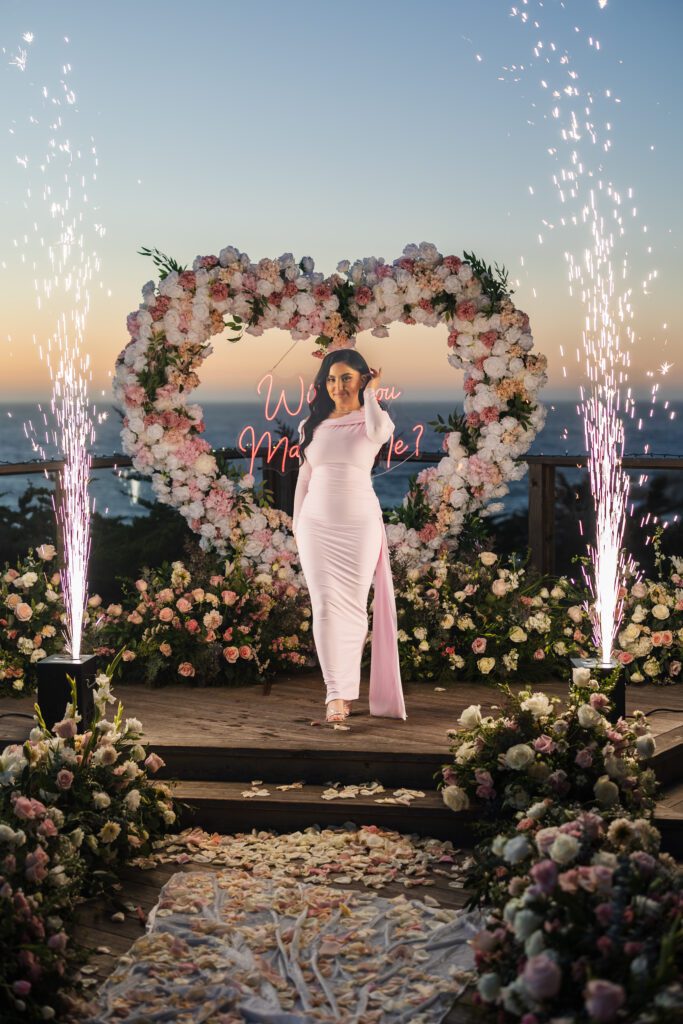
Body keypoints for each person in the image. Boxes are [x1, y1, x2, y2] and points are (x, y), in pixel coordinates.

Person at [292, 348, 407, 726]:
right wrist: (297, 524)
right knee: (324, 606)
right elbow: (304, 478)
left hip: (359, 525)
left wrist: (372, 393)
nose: (337, 386)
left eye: (345, 378)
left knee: (355, 610)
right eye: (331, 379)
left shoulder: (374, 419)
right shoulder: (313, 425)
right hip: (316, 526)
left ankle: (348, 688)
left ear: (361, 378)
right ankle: (335, 695)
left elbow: (377, 432)